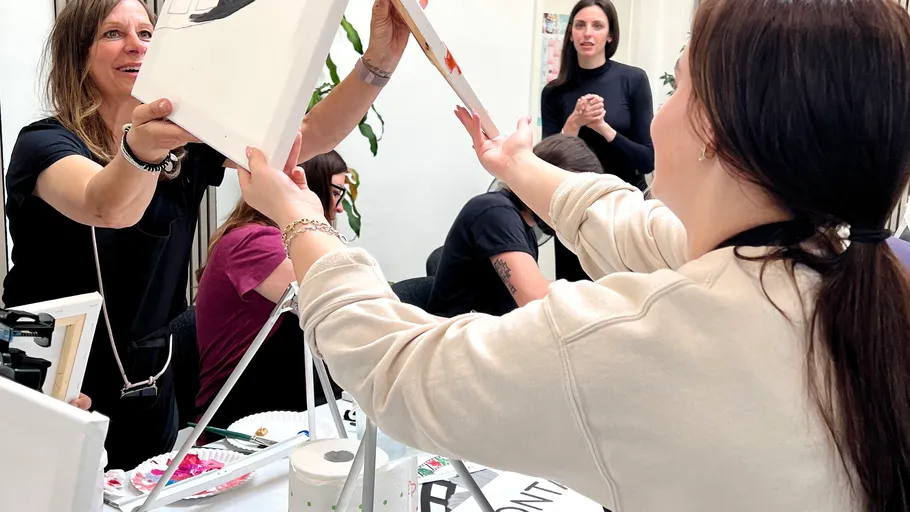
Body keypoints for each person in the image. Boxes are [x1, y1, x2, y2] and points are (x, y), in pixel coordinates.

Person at [238, 0, 910, 510]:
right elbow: (626, 222)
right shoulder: (842, 269)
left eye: (676, 87)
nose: (657, 115)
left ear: (713, 129)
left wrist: (299, 219)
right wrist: (517, 164)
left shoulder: (634, 339)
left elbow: (398, 370)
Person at [2, 0, 409, 470]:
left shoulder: (186, 145)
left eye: (147, 33)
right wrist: (141, 149)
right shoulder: (44, 145)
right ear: (78, 53)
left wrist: (379, 62)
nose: (136, 45)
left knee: (151, 493)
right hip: (53, 373)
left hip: (151, 379)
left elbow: (309, 133)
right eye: (113, 34)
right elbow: (106, 205)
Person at [193, 151, 349, 432]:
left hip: (278, 403)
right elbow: (337, 299)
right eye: (336, 193)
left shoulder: (262, 237)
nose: (338, 209)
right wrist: (315, 220)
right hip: (241, 418)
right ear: (312, 188)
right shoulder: (254, 242)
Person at [426, 135, 602, 317]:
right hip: (457, 332)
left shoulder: (525, 226)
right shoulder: (495, 212)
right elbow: (536, 299)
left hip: (490, 327)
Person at [541, 0, 655, 283]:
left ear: (610, 35)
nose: (588, 33)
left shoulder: (633, 79)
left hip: (623, 209)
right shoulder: (553, 92)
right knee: (574, 295)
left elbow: (647, 159)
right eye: (580, 25)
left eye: (597, 26)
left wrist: (603, 128)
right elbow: (547, 164)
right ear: (570, 33)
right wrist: (574, 123)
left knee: (623, 292)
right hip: (573, 210)